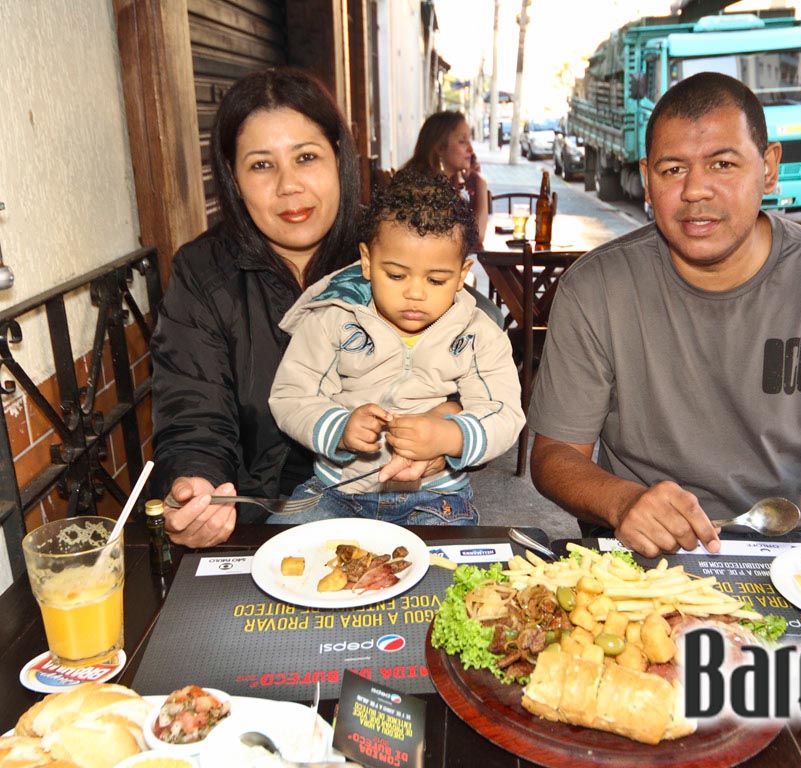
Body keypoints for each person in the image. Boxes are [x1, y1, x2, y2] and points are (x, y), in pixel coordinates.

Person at [527, 72, 801, 558]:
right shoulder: (597, 287)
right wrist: (623, 501)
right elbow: (555, 455)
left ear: (768, 167)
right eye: (673, 169)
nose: (696, 190)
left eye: (722, 163)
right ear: (647, 181)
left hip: (796, 537)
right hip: (645, 544)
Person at [150, 67, 364, 548]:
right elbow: (192, 414)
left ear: (338, 160)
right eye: (262, 165)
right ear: (233, 177)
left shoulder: (390, 249)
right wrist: (196, 482)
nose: (289, 186)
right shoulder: (202, 272)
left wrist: (447, 421)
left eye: (306, 157)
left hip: (392, 503)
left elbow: (471, 347)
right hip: (259, 520)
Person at [266, 168, 525, 524]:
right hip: (336, 492)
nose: (415, 293)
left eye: (436, 279)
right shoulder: (333, 319)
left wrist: (450, 435)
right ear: (368, 262)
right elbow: (290, 395)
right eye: (396, 275)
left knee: (452, 575)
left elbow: (504, 413)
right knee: (279, 553)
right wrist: (339, 429)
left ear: (463, 273)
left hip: (435, 497)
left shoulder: (478, 336)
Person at [403, 111, 489, 248]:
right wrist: (481, 185)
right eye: (462, 141)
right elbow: (475, 236)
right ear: (439, 148)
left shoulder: (444, 184)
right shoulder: (426, 188)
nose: (471, 149)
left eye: (469, 141)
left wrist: (474, 194)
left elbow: (467, 228)